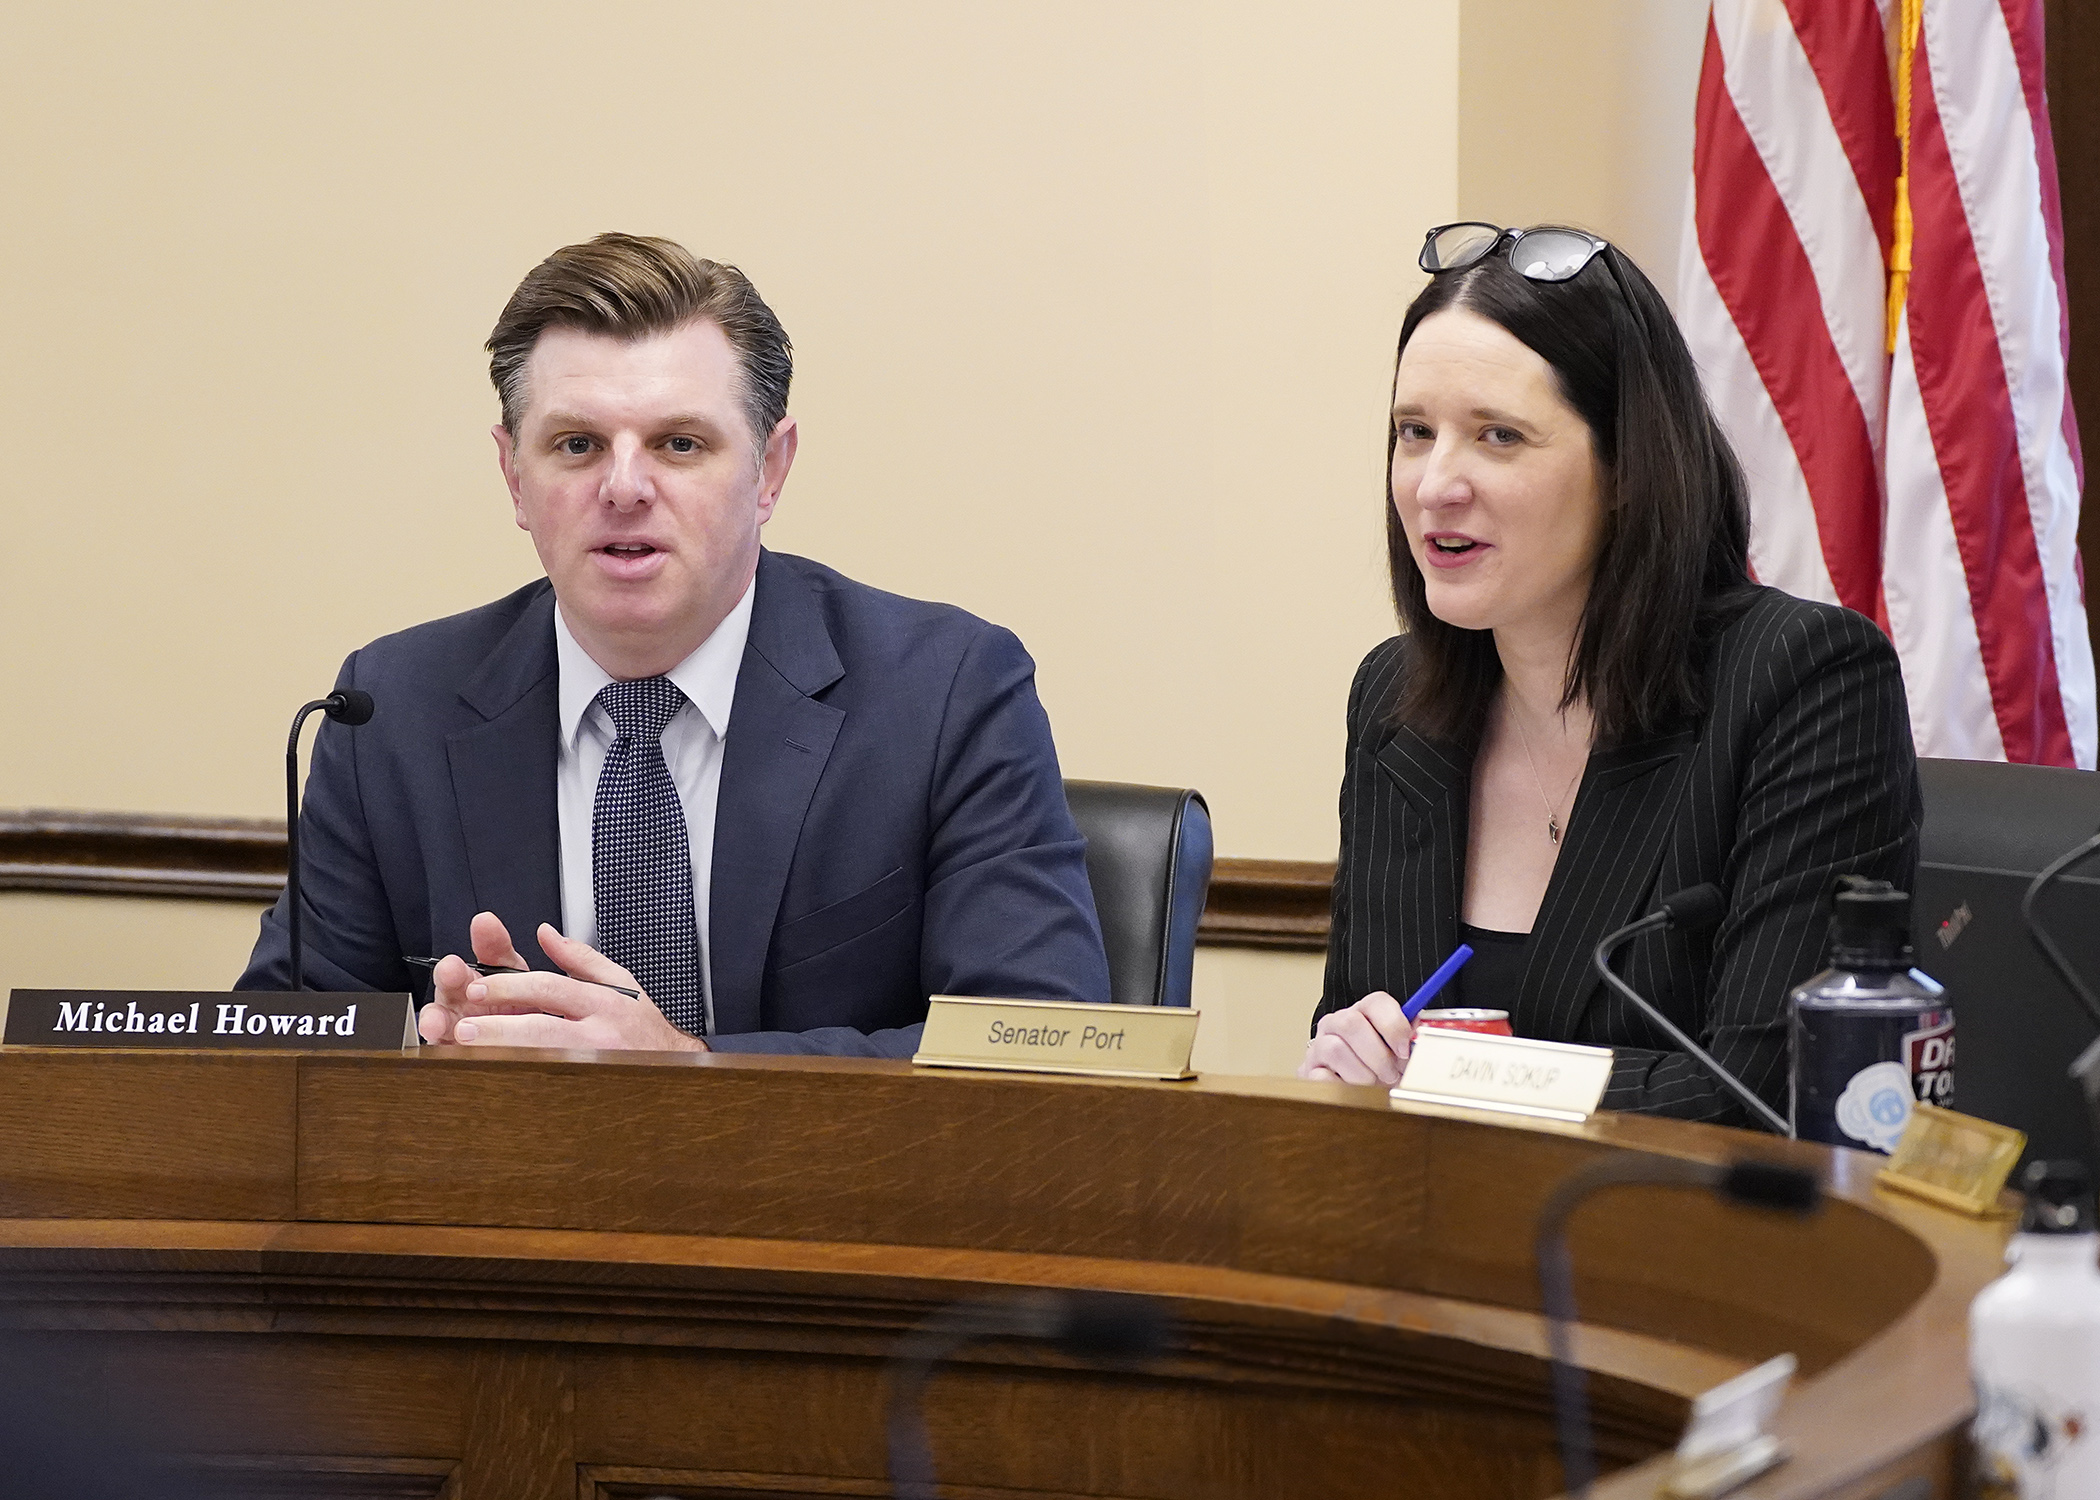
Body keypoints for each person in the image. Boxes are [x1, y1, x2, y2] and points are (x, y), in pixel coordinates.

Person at [236, 232, 1110, 1056]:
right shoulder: (391, 708)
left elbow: (1039, 1041)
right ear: (513, 476)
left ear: (769, 472)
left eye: (678, 443)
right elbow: (285, 1051)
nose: (623, 487)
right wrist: (431, 1059)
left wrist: (691, 1070)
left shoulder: (945, 692)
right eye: (576, 445)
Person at [1300, 223, 1919, 1126]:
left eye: (1499, 436)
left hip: (1682, 1252)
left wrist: (1447, 1080)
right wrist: (1347, 1053)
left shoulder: (1801, 683)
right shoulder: (1395, 703)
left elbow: (1773, 1094)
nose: (1434, 485)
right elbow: (1366, 1047)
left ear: (1627, 468)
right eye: (1413, 432)